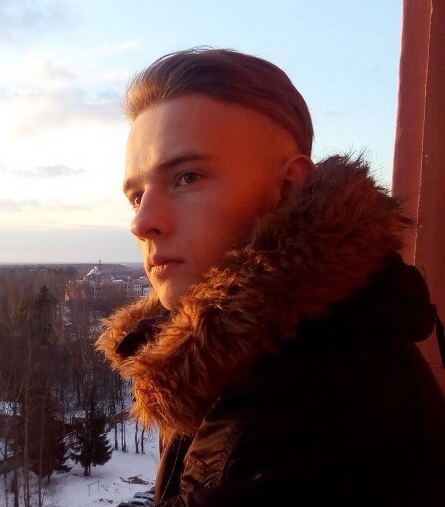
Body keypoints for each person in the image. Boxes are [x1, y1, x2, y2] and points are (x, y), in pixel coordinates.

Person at [96, 47, 445, 506]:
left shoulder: (317, 405)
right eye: (136, 196)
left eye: (187, 177)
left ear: (287, 188)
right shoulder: (235, 354)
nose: (142, 223)